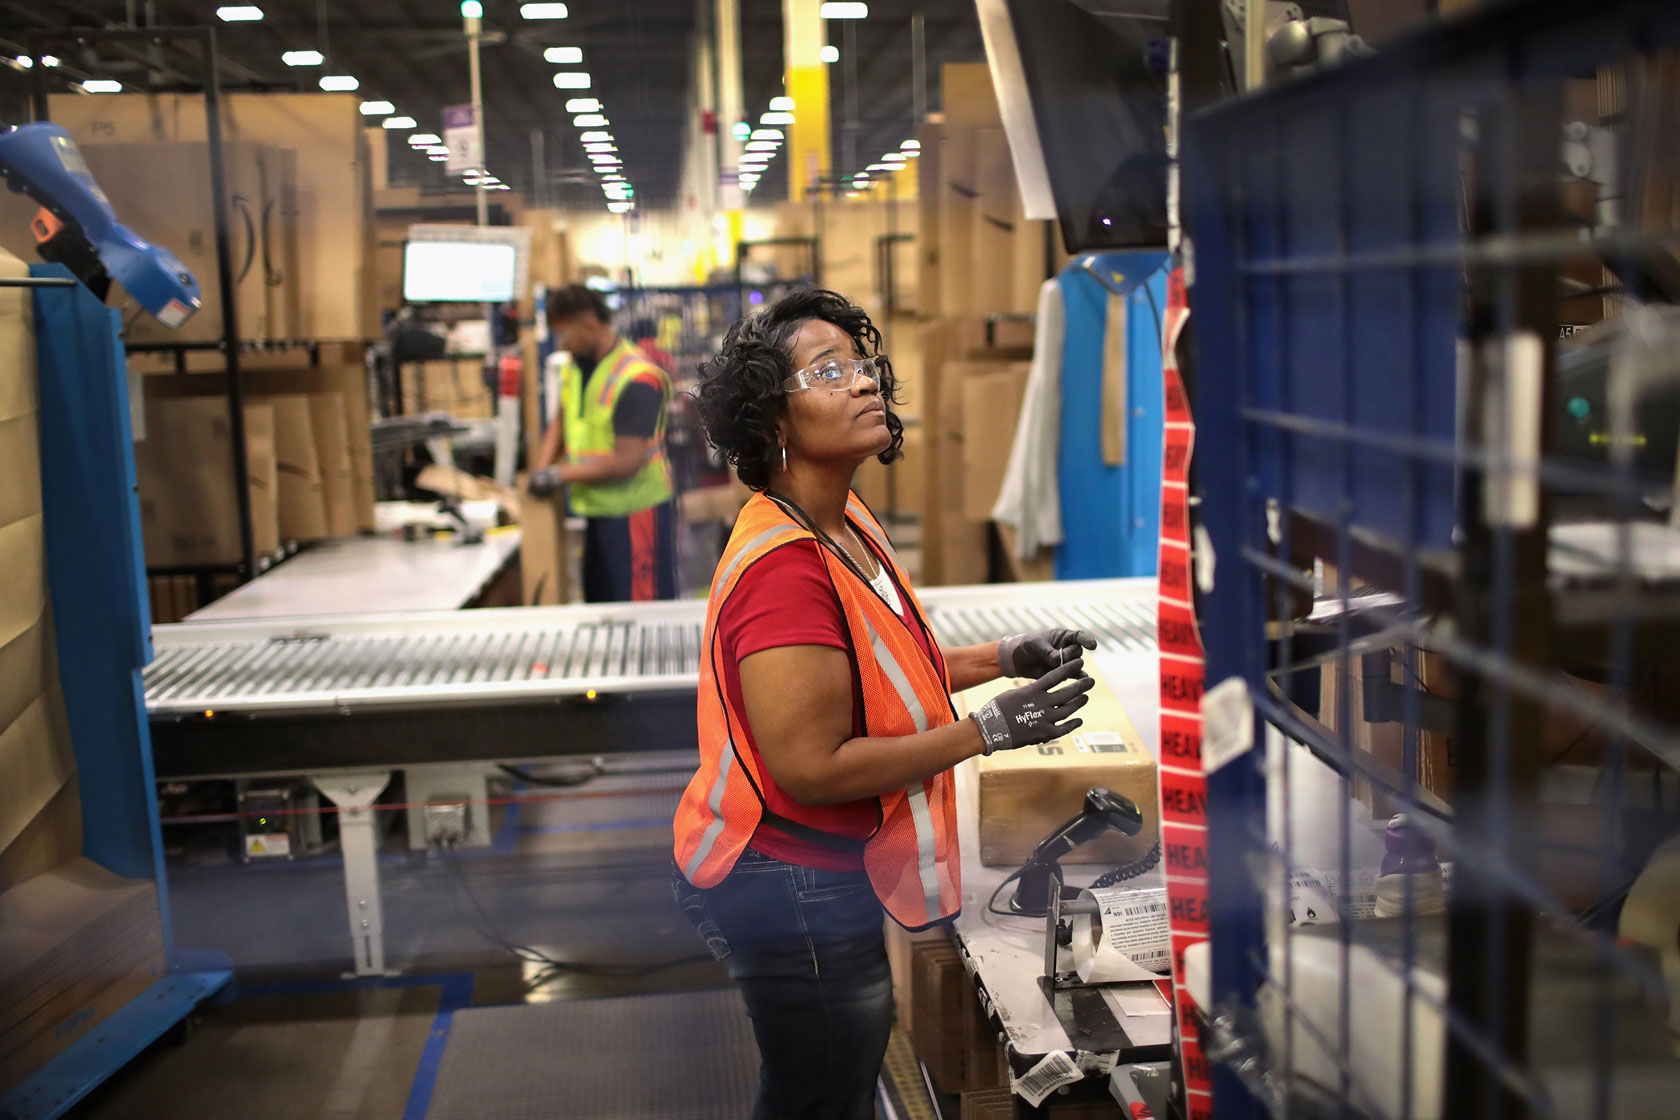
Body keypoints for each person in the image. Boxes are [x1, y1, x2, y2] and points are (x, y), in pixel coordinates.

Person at [671, 288, 1099, 1120]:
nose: (865, 383)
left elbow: (880, 670)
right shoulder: (783, 570)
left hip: (826, 870)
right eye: (829, 372)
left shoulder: (841, 522)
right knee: (821, 1089)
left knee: (834, 1076)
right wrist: (985, 731)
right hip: (786, 877)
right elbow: (812, 767)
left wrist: (1002, 658)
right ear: (773, 424)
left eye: (861, 364)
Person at [529, 285, 678, 602]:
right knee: (602, 608)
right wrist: (542, 467)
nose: (560, 343)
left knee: (642, 613)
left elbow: (627, 460)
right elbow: (562, 417)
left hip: (637, 514)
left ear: (590, 325)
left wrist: (559, 475)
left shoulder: (637, 377)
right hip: (598, 513)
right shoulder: (575, 366)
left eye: (564, 333)